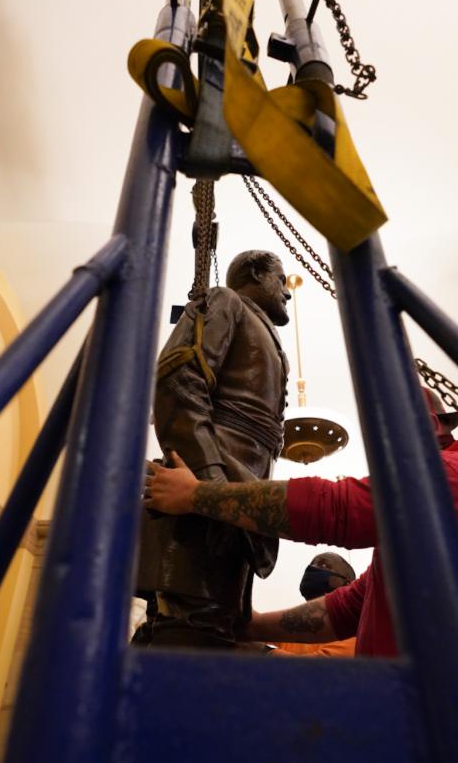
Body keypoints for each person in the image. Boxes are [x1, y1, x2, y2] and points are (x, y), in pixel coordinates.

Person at [144, 390, 458, 763]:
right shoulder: (418, 534)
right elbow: (347, 607)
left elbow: (339, 510)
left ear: (436, 429)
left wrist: (198, 495)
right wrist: (249, 624)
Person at [134, 249, 291, 648]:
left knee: (208, 629)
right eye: (282, 279)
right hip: (206, 499)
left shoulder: (267, 337)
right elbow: (177, 380)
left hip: (234, 502)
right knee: (191, 633)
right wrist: (209, 486)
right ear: (256, 272)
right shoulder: (227, 301)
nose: (288, 292)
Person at [273, 552, 357, 657]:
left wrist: (263, 651)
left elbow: (311, 669)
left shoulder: (352, 633)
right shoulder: (288, 625)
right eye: (312, 564)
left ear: (346, 585)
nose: (312, 568)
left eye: (324, 565)